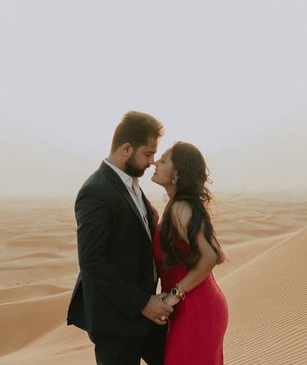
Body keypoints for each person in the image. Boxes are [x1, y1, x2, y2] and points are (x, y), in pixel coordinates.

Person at [67, 111, 173, 365]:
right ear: (127, 149)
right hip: (115, 321)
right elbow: (92, 261)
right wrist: (142, 304)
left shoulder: (132, 185)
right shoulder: (96, 190)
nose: (152, 162)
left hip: (145, 315)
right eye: (148, 154)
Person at [151, 141, 228, 365]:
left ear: (177, 174)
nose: (156, 162)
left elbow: (211, 255)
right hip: (194, 307)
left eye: (163, 160)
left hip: (195, 309)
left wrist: (175, 293)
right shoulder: (180, 205)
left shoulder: (180, 207)